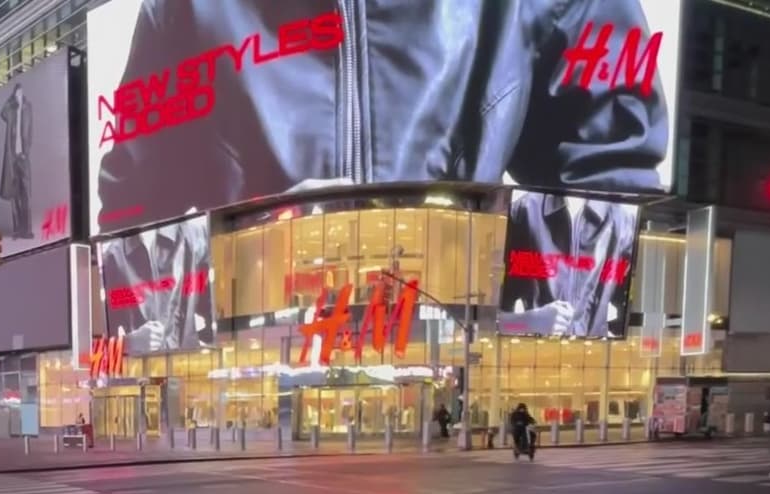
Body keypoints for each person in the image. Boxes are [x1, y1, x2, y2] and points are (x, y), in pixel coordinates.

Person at [95, 0, 670, 235]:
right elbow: (135, 205)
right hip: (259, 352)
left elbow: (608, 185)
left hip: (458, 349)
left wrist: (490, 303)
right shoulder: (181, 5)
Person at [498, 191, 640, 338]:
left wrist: (602, 335)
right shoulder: (526, 213)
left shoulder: (622, 226)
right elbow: (491, 322)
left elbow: (633, 321)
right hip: (533, 355)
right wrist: (529, 322)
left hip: (593, 357)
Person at [98, 216, 216, 354]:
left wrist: (198, 346)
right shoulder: (113, 256)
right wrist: (129, 343)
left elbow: (215, 311)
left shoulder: (195, 237)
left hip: (188, 367)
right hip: (141, 371)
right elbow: (101, 349)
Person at [0, 83, 33, 239]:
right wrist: (10, 99)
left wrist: (26, 151)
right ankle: (18, 229)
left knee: (26, 193)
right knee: (14, 194)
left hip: (22, 157)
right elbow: (2, 113)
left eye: (21, 93)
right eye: (16, 93)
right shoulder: (10, 109)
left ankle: (27, 229)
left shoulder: (28, 108)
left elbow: (31, 130)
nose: (19, 96)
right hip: (12, 157)